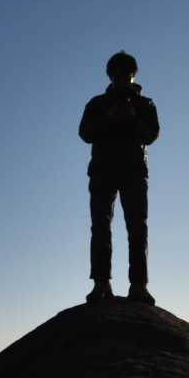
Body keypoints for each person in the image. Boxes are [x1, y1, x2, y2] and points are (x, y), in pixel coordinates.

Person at [78, 51, 160, 304]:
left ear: (133, 75)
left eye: (127, 74)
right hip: (102, 171)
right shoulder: (97, 104)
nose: (123, 78)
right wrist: (108, 119)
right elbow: (85, 133)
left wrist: (133, 119)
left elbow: (151, 135)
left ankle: (139, 286)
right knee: (100, 226)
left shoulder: (145, 104)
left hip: (134, 171)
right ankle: (101, 284)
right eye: (118, 74)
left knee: (137, 227)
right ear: (111, 76)